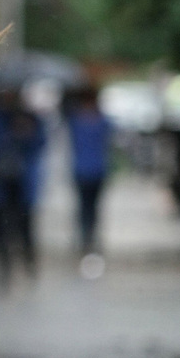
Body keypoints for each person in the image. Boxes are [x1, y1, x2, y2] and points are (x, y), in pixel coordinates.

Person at [0, 89, 46, 290]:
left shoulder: (30, 119)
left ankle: (28, 260)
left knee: (24, 225)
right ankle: (5, 264)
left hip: (22, 183)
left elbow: (39, 145)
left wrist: (26, 132)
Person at [64, 87, 113, 257]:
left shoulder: (77, 120)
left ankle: (87, 239)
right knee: (89, 207)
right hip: (92, 170)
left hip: (88, 170)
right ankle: (88, 239)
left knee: (86, 207)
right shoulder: (100, 120)